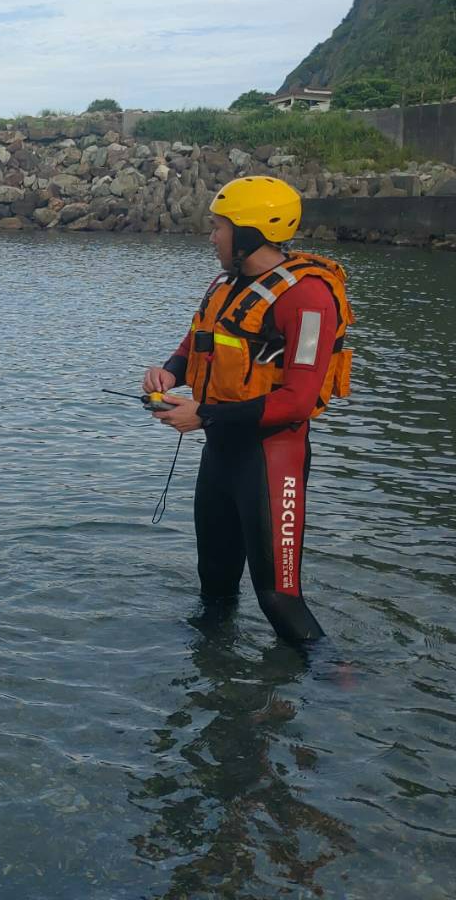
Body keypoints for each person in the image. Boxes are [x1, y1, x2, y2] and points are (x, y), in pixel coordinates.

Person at [142, 176, 354, 643]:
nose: (212, 236)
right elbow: (194, 345)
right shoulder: (226, 284)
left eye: (220, 226)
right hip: (220, 457)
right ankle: (214, 674)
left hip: (271, 460)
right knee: (214, 585)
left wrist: (205, 415)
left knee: (279, 598)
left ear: (251, 233)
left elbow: (298, 400)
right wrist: (169, 374)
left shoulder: (308, 298)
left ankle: (337, 694)